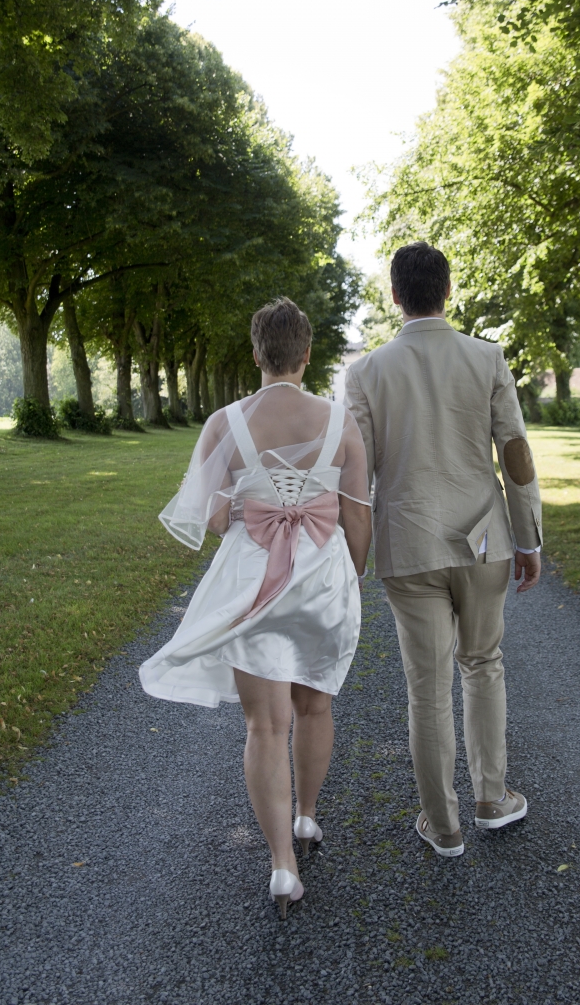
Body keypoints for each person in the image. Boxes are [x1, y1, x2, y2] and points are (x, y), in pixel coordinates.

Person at [140, 298, 371, 915]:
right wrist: (356, 572)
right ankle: (306, 817)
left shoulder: (224, 422)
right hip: (322, 575)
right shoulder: (340, 421)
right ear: (307, 353)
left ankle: (281, 866)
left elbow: (215, 518)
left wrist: (253, 515)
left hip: (251, 580)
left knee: (265, 723)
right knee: (314, 702)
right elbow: (357, 514)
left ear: (255, 352)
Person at [345, 242, 542, 858]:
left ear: (396, 296)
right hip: (484, 539)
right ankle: (492, 796)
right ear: (448, 291)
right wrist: (529, 535)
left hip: (409, 541)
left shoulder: (366, 371)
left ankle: (444, 825)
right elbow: (516, 452)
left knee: (426, 687)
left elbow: (355, 473)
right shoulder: (486, 357)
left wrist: (347, 555)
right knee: (482, 664)